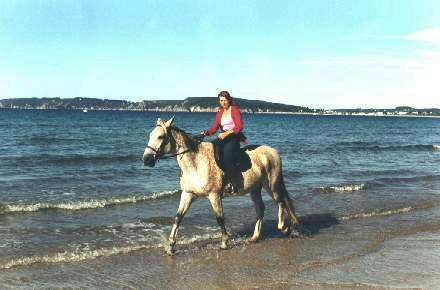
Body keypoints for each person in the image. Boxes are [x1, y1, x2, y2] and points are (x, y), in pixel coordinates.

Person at [203, 91, 246, 193]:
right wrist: (206, 133)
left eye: (225, 100)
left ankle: (233, 183)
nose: (223, 103)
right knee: (211, 150)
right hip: (223, 137)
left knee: (227, 158)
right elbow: (214, 128)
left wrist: (226, 133)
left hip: (233, 137)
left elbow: (239, 127)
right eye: (221, 101)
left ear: (229, 100)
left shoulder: (234, 110)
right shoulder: (220, 112)